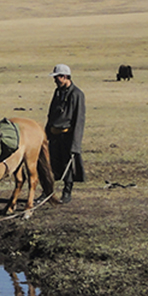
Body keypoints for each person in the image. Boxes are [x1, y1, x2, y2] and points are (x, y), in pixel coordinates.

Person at [46, 63, 85, 203]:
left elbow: (79, 121)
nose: (55, 80)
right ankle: (48, 192)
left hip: (67, 136)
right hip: (54, 135)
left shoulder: (77, 94)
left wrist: (75, 145)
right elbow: (51, 115)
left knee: (67, 165)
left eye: (57, 78)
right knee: (52, 164)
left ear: (65, 77)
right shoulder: (57, 92)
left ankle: (67, 191)